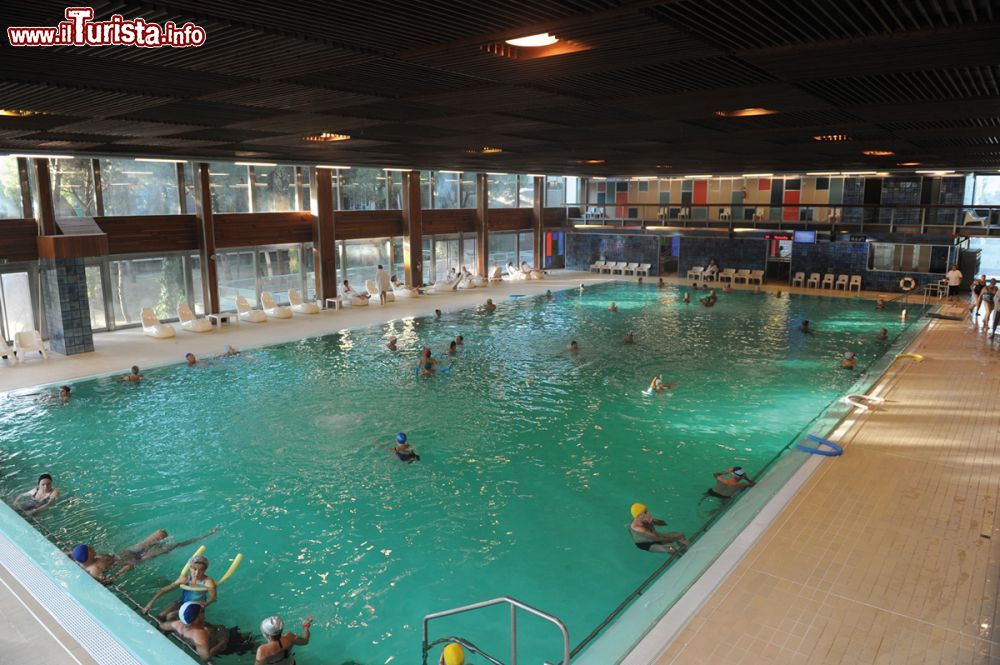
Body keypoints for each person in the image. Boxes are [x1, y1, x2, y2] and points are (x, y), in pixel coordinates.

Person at [69, 527, 217, 584]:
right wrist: (123, 571)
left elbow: (73, 554)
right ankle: (205, 535)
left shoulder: (82, 558)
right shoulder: (94, 571)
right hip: (137, 559)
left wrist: (67, 551)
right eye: (89, 548)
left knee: (161, 533)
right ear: (87, 556)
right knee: (171, 546)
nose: (91, 547)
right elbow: (106, 582)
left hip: (128, 552)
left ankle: (160, 542)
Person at [144, 554, 217, 620]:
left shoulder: (208, 582)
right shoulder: (185, 579)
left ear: (205, 570)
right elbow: (165, 589)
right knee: (161, 616)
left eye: (201, 570)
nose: (197, 573)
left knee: (170, 616)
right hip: (182, 602)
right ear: (190, 568)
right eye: (194, 569)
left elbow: (213, 598)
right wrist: (150, 603)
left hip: (195, 607)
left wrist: (203, 605)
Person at [158, 602, 227, 662]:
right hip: (220, 647)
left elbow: (161, 626)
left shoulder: (176, 624)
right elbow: (206, 657)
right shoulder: (199, 634)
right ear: (196, 618)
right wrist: (222, 642)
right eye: (202, 611)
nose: (204, 611)